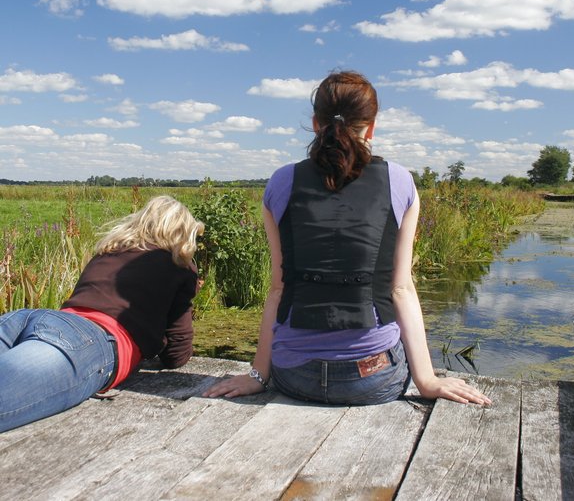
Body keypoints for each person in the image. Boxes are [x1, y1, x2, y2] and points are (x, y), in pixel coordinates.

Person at [204, 71, 491, 407]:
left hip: (295, 376)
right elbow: (401, 289)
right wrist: (426, 380)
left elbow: (278, 290)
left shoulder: (281, 182)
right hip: (372, 379)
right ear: (371, 127)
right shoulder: (399, 182)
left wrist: (258, 375)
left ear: (315, 123)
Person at [0, 195, 204, 433]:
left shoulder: (109, 250)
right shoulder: (180, 265)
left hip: (30, 319)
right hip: (87, 340)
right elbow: (177, 355)